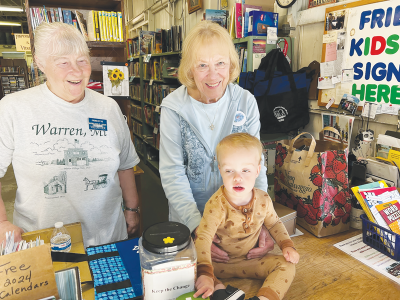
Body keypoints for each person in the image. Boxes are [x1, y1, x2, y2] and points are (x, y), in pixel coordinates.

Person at [0, 22, 140, 247]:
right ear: (40, 63)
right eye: (63, 62)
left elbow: (125, 164)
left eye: (82, 60)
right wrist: (1, 223)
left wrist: (132, 209)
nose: (75, 71)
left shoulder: (109, 108)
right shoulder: (14, 108)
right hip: (43, 241)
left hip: (107, 238)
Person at [159, 20, 273, 262]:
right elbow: (172, 173)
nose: (213, 75)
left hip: (239, 225)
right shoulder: (173, 108)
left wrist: (261, 221)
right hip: (190, 224)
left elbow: (256, 166)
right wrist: (199, 229)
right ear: (189, 69)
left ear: (231, 64)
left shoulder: (245, 102)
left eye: (220, 63)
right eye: (202, 65)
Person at [194, 133, 299, 300]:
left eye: (245, 170)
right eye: (229, 170)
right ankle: (219, 288)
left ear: (257, 170)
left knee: (288, 265)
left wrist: (287, 245)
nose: (237, 178)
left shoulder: (264, 199)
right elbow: (204, 237)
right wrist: (205, 273)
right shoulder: (215, 204)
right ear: (220, 169)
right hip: (218, 263)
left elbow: (275, 224)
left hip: (252, 261)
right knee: (188, 267)